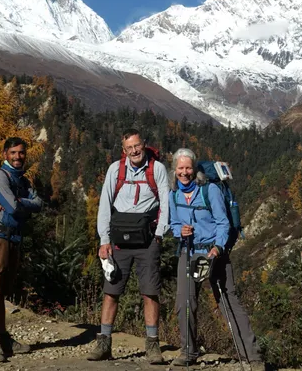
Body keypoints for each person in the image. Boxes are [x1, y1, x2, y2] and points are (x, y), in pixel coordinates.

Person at [169, 148, 264, 369]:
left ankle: (252, 356)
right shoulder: (172, 193)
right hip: (188, 252)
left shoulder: (209, 190)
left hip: (213, 253)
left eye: (188, 168)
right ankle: (188, 351)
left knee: (228, 302)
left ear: (195, 168)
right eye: (180, 168)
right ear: (175, 170)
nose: (184, 173)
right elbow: (172, 222)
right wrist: (178, 231)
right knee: (185, 302)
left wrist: (218, 248)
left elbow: (223, 223)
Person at [87, 129, 169, 364]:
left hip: (148, 239)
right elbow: (105, 204)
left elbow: (165, 203)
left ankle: (153, 346)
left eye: (137, 146)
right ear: (123, 151)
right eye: (129, 148)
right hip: (119, 240)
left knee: (150, 292)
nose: (134, 151)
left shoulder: (158, 169)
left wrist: (160, 235)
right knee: (111, 291)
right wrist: (104, 240)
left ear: (144, 144)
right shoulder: (116, 169)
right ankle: (103, 343)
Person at [0, 137, 43, 362]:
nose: (17, 156)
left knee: (1, 292)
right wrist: (21, 203)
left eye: (21, 152)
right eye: (13, 152)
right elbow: (13, 207)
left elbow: (39, 204)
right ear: (5, 154)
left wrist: (18, 201)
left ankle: (3, 338)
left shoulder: (21, 179)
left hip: (13, 239)